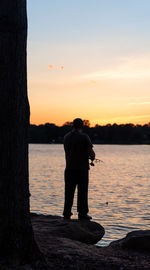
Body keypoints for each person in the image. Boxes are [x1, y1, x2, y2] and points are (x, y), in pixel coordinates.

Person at [63, 118, 95, 220]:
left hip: (69, 169)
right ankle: (82, 213)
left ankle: (66, 213)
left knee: (69, 192)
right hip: (82, 169)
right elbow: (91, 153)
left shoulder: (66, 137)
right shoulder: (84, 137)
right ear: (82, 126)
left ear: (73, 125)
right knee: (82, 192)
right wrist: (92, 157)